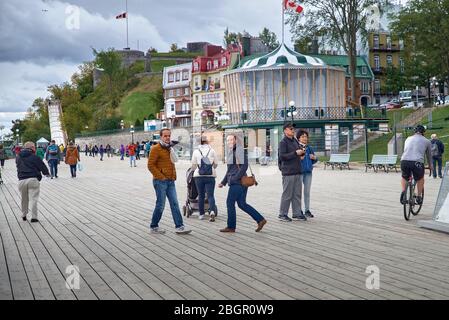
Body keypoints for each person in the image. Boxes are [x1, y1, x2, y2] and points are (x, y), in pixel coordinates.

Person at [218, 134, 267, 233]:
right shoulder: (232, 152)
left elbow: (244, 166)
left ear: (236, 141)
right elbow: (229, 170)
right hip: (240, 182)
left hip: (237, 183)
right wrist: (223, 182)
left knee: (230, 203)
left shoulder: (239, 151)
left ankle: (231, 227)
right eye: (228, 140)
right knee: (242, 204)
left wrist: (235, 178)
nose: (229, 142)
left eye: (232, 140)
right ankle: (260, 220)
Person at [148, 128, 191, 234]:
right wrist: (161, 176)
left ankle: (179, 226)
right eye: (165, 136)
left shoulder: (169, 148)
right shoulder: (155, 148)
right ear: (161, 137)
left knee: (175, 204)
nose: (167, 138)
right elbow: (150, 165)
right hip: (160, 181)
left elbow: (173, 162)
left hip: (171, 181)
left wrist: (172, 176)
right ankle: (154, 226)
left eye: (169, 136)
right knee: (160, 205)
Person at [278, 123, 306, 222]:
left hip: (297, 171)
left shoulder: (294, 140)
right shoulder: (283, 142)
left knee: (297, 194)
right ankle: (282, 214)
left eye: (293, 128)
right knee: (287, 194)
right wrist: (295, 153)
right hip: (288, 172)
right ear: (285, 130)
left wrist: (301, 153)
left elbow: (298, 153)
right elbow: (282, 157)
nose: (293, 130)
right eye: (291, 129)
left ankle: (297, 213)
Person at [16, 142, 50, 222]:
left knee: (24, 199)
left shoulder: (18, 157)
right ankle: (34, 217)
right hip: (33, 179)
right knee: (33, 199)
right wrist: (47, 173)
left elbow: (18, 166)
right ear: (31, 148)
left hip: (21, 180)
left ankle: (24, 214)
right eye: (34, 147)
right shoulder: (34, 157)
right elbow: (42, 166)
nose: (35, 148)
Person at [400, 125, 433, 205]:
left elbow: (406, 150)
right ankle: (418, 196)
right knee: (420, 178)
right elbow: (429, 156)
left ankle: (403, 193)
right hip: (417, 162)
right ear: (423, 132)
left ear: (415, 131)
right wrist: (430, 166)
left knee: (404, 177)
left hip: (404, 160)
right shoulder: (427, 141)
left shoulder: (408, 138)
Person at [191, 136, 218, 222]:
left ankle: (201, 214)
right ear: (207, 142)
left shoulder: (196, 151)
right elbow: (216, 164)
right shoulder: (212, 151)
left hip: (199, 176)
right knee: (210, 195)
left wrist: (196, 169)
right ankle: (212, 211)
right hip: (210, 176)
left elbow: (194, 165)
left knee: (201, 195)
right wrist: (210, 168)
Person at [297, 129, 318, 218]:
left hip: (308, 173)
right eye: (303, 136)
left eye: (306, 136)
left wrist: (314, 158)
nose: (305, 138)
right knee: (298, 192)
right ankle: (299, 210)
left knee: (307, 192)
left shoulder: (309, 148)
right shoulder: (296, 147)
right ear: (298, 138)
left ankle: (307, 210)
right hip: (299, 172)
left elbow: (314, 160)